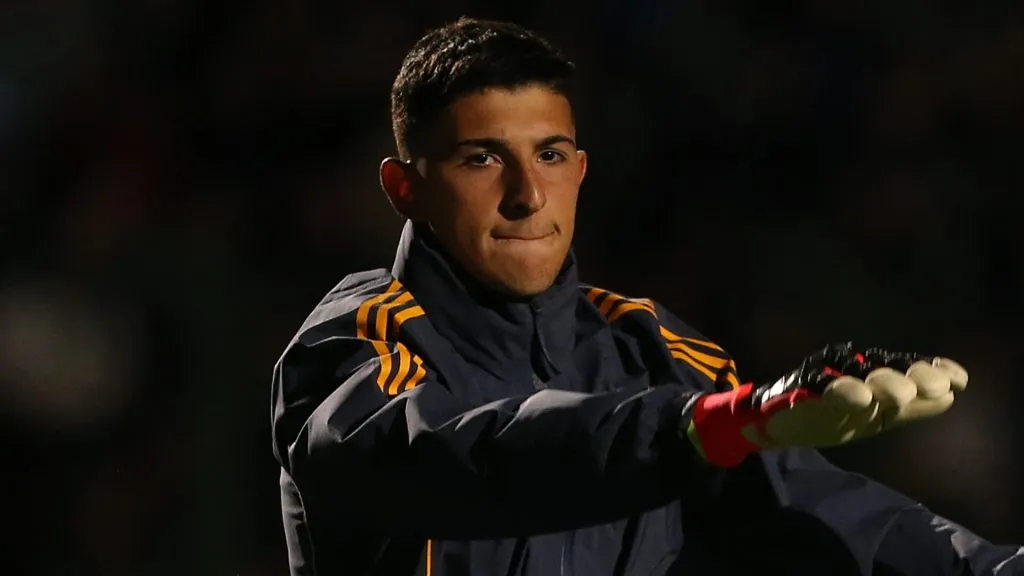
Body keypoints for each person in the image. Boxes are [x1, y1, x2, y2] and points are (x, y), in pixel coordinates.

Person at [270, 17, 1023, 576]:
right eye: (482, 159)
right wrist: (697, 428)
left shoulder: (651, 348)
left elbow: (829, 515)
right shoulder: (358, 340)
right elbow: (458, 456)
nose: (528, 194)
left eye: (550, 154)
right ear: (404, 188)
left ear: (580, 171)